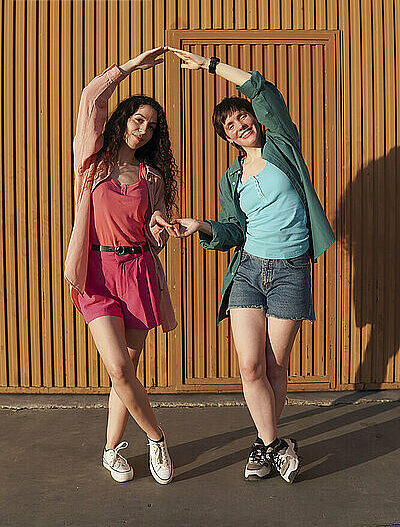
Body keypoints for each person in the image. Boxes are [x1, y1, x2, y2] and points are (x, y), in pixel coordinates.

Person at [168, 46, 334, 484]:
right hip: (248, 270)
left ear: (256, 121)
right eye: (229, 127)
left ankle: (264, 446)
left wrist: (210, 66)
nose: (239, 127)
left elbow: (260, 89)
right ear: (226, 138)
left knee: (276, 366)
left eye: (242, 119)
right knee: (250, 366)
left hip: (290, 269)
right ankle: (276, 444)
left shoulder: (282, 146)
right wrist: (201, 226)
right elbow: (233, 230)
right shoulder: (231, 178)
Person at [64, 47, 178, 484]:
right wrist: (128, 68)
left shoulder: (153, 179)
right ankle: (156, 436)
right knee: (117, 367)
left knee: (125, 373)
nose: (143, 130)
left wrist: (162, 229)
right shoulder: (91, 163)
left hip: (138, 274)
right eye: (137, 120)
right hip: (96, 272)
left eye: (151, 126)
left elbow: (153, 230)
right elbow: (91, 98)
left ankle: (112, 450)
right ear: (122, 119)